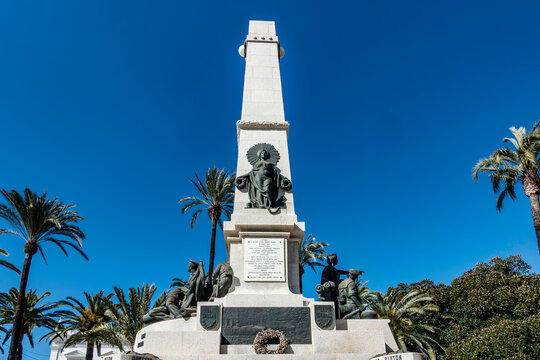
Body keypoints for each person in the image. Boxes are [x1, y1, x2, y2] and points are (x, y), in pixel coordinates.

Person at [143, 260, 205, 324]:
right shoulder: (192, 276)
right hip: (172, 303)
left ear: (192, 266)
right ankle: (172, 316)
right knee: (146, 317)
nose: (187, 267)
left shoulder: (196, 276)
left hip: (176, 301)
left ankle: (177, 315)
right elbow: (189, 285)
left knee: (167, 304)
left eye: (189, 265)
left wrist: (201, 267)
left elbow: (191, 289)